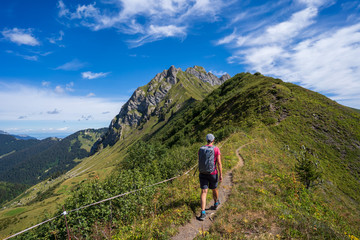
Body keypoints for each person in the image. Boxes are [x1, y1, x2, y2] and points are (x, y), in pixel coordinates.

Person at [198, 133, 222, 221]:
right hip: (213, 173)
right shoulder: (216, 149)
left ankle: (203, 212)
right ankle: (216, 203)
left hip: (203, 173)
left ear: (206, 140)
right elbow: (219, 163)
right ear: (213, 140)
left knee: (204, 192)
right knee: (214, 189)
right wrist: (221, 174)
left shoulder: (201, 149)